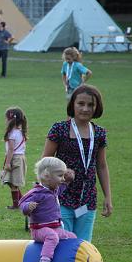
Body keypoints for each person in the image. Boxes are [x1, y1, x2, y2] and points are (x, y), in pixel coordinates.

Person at [42, 85, 113, 242]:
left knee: (82, 247)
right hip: (61, 197)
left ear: (97, 107)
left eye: (90, 105)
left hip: (87, 200)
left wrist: (108, 196)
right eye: (81, 103)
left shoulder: (99, 133)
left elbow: (101, 165)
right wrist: (60, 172)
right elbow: (44, 162)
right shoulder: (59, 129)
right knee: (61, 245)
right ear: (72, 104)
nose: (85, 109)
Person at [19, 157, 78, 262]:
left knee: (72, 236)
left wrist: (68, 180)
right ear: (46, 175)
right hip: (39, 230)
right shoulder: (36, 193)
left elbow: (63, 186)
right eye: (60, 175)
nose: (62, 179)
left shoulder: (53, 189)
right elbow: (22, 203)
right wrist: (27, 207)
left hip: (54, 228)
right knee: (52, 237)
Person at [0, 107, 28, 209]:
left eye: (6, 118)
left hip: (15, 159)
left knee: (13, 183)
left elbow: (11, 150)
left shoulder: (12, 133)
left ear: (11, 119)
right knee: (9, 181)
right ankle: (22, 200)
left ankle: (17, 204)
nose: (5, 120)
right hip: (19, 158)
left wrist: (7, 163)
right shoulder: (20, 131)